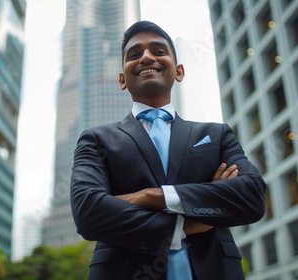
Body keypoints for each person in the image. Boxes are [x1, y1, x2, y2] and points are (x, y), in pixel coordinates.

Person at [70, 20, 266, 280]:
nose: (147, 57)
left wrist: (150, 196)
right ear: (122, 80)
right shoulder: (96, 140)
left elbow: (251, 195)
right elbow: (88, 212)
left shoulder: (216, 135)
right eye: (134, 54)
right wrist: (188, 223)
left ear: (179, 71)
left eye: (159, 51)